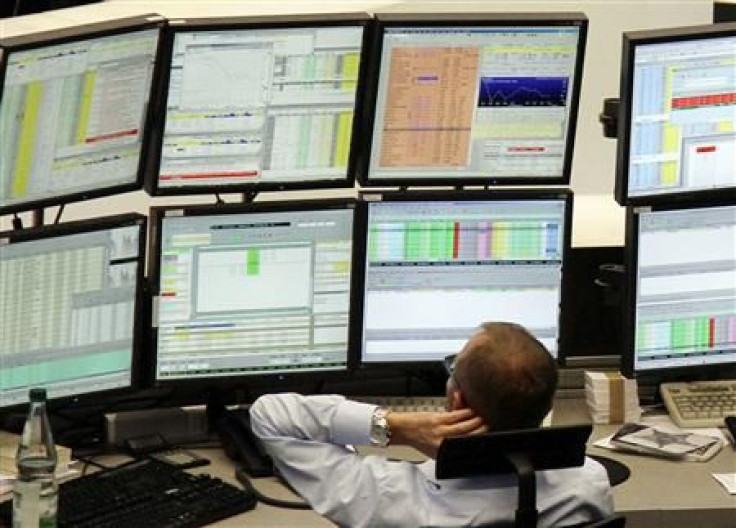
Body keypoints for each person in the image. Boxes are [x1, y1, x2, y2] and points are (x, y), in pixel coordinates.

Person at [249, 322, 614, 527]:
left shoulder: (392, 497)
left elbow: (270, 416)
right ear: (551, 403)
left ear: (456, 402)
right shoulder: (589, 483)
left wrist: (395, 426)